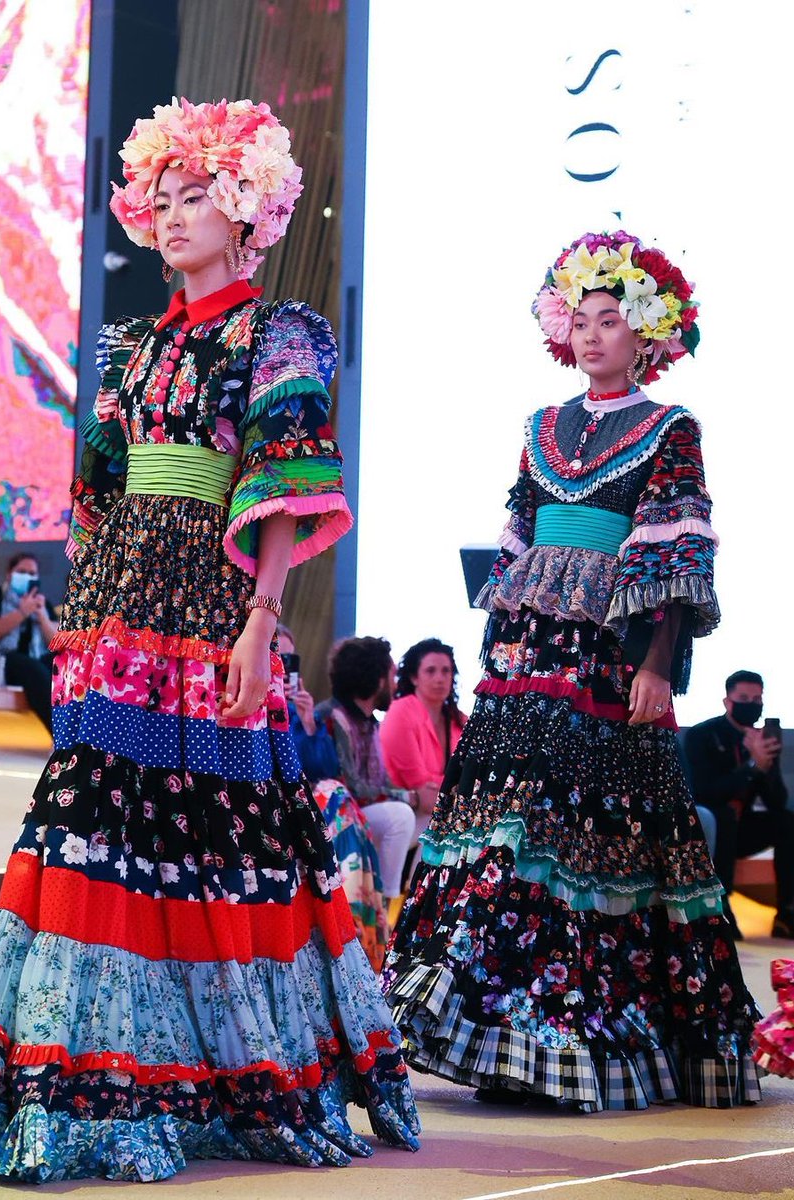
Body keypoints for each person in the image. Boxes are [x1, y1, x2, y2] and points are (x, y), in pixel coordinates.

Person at [0, 98, 419, 1182]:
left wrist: (262, 622)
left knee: (219, 838)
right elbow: (99, 491)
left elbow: (289, 486)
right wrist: (84, 615)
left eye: (198, 196)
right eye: (161, 199)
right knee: (89, 824)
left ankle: (219, 1074)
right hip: (123, 618)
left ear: (249, 208)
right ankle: (70, 1068)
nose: (172, 215)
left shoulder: (279, 334)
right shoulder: (131, 345)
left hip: (213, 615)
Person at [383, 231, 761, 1112]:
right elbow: (517, 526)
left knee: (593, 834)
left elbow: (676, 549)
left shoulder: (671, 428)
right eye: (580, 321)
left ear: (645, 338)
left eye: (609, 321)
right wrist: (495, 643)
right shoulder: (539, 427)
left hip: (605, 655)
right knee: (505, 822)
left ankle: (574, 1036)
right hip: (525, 653)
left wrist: (658, 666)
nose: (591, 336)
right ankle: (497, 1032)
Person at [280, 624, 389, 971]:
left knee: (337, 795)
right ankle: (356, 927)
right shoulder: (246, 697)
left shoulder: (302, 708)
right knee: (340, 797)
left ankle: (360, 922)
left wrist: (308, 724)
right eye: (274, 656)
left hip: (312, 798)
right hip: (286, 799)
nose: (281, 667)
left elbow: (323, 766)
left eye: (288, 660)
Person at [684, 670, 791, 938]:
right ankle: (722, 904)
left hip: (744, 829)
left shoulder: (762, 740)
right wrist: (751, 765)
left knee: (788, 822)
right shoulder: (702, 735)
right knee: (724, 814)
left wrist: (764, 767)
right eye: (744, 698)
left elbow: (776, 802)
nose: (751, 705)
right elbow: (704, 793)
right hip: (712, 825)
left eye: (757, 699)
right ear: (727, 701)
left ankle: (787, 912)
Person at [314, 637, 417, 913]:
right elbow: (351, 789)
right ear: (377, 677)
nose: (395, 684)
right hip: (333, 825)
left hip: (360, 819)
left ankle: (388, 909)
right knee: (401, 815)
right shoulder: (333, 717)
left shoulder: (370, 724)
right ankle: (382, 908)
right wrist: (412, 796)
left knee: (423, 818)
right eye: (392, 675)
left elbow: (379, 784)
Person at [380, 638, 468, 878]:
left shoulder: (460, 720)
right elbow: (419, 785)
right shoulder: (401, 712)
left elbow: (474, 778)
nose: (440, 678)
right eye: (431, 670)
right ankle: (414, 903)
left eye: (446, 671)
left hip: (442, 810)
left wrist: (448, 786)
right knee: (439, 828)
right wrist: (457, 787)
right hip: (402, 812)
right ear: (414, 677)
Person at [0, 553, 59, 732]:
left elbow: (56, 643)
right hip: (0, 662)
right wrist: (22, 612)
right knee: (28, 666)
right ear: (9, 574)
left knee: (59, 667)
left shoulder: (43, 604)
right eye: (22, 572)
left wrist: (41, 615)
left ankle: (79, 737)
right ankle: (60, 736)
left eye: (32, 573)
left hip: (35, 662)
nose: (27, 576)